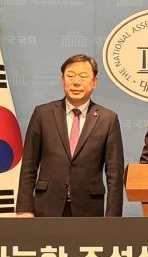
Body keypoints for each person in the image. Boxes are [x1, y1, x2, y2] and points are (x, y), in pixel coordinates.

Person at [16, 54, 124, 217]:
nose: (76, 82)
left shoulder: (108, 119)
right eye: (70, 76)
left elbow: (114, 174)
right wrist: (24, 208)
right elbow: (29, 165)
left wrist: (113, 217)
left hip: (89, 209)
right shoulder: (43, 114)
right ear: (62, 79)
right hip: (46, 207)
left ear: (95, 82)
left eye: (83, 76)